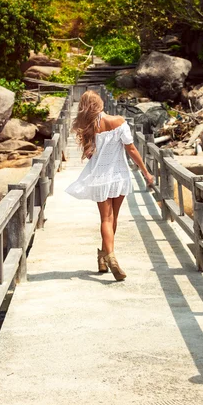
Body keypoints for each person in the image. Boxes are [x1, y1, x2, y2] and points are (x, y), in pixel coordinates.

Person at [65, 90, 154, 281]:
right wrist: (146, 171)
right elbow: (131, 148)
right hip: (119, 176)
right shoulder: (119, 121)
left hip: (99, 178)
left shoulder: (89, 127)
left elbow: (90, 155)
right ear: (100, 103)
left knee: (106, 218)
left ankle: (104, 256)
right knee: (113, 218)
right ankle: (110, 257)